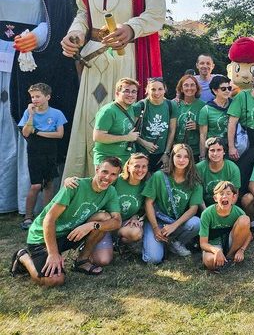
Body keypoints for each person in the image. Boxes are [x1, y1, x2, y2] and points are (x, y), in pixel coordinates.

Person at [61, 0, 165, 181]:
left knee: (121, 121)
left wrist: (130, 29)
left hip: (125, 58)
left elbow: (156, 15)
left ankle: (122, 187)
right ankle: (82, 181)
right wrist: (75, 35)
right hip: (93, 60)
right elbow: (83, 14)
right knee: (90, 120)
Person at [0, 0, 76, 215]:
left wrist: (39, 36)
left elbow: (58, 21)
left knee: (24, 121)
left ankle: (22, 200)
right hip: (1, 57)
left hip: (29, 61)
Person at [10, 157, 123, 286]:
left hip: (69, 233)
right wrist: (53, 253)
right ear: (97, 170)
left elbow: (117, 221)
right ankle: (23, 256)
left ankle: (82, 260)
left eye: (113, 174)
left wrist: (92, 225)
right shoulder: (74, 186)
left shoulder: (111, 191)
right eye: (105, 172)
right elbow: (49, 219)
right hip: (42, 238)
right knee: (55, 280)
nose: (107, 177)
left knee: (104, 219)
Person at [62, 153, 150, 263]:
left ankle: (117, 245)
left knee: (136, 233)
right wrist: (69, 180)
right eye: (136, 166)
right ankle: (88, 243)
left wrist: (135, 216)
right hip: (103, 222)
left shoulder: (145, 186)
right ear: (128, 166)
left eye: (144, 166)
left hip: (120, 223)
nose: (140, 170)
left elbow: (145, 208)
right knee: (102, 261)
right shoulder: (116, 179)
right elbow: (95, 183)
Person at [141, 143, 203, 264]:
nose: (182, 160)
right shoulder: (159, 176)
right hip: (157, 221)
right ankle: (157, 242)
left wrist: (174, 225)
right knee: (153, 259)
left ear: (190, 160)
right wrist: (155, 228)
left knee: (196, 222)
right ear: (172, 157)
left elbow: (193, 209)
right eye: (178, 156)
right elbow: (148, 203)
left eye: (186, 157)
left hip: (174, 222)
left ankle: (175, 243)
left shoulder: (194, 182)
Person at [18, 83, 67, 229]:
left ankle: (47, 215)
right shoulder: (29, 113)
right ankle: (28, 217)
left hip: (50, 151)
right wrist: (31, 116)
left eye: (38, 96)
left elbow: (59, 134)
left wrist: (38, 132)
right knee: (36, 185)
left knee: (49, 183)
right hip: (34, 151)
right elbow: (26, 132)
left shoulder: (57, 114)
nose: (34, 99)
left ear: (47, 97)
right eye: (32, 97)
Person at [199, 181, 251, 272]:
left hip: (231, 244)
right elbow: (203, 243)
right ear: (215, 198)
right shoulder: (207, 213)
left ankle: (230, 256)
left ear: (233, 197)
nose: (224, 196)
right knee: (210, 261)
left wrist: (242, 250)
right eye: (221, 194)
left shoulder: (238, 212)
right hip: (214, 245)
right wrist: (216, 251)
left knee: (245, 219)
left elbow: (249, 234)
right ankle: (222, 261)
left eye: (228, 193)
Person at [93, 77, 140, 167]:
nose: (130, 94)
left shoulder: (131, 108)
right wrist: (126, 137)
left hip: (126, 160)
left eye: (134, 92)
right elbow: (98, 137)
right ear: (117, 93)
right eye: (126, 91)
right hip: (107, 161)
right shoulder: (108, 111)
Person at [133, 77, 176, 173]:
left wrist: (166, 153)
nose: (157, 93)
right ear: (147, 90)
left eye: (160, 89)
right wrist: (144, 143)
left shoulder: (171, 105)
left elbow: (172, 131)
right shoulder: (140, 106)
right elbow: (131, 131)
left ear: (165, 90)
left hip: (161, 153)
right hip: (142, 153)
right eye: (153, 89)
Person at [197, 138, 241, 208]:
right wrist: (207, 213)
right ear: (207, 152)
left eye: (219, 150)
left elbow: (234, 194)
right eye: (212, 150)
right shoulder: (199, 168)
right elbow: (198, 195)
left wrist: (225, 211)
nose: (215, 153)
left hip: (227, 206)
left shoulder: (232, 168)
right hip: (205, 208)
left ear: (224, 152)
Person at [198, 75, 232, 159]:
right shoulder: (206, 110)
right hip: (214, 150)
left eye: (229, 88)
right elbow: (203, 135)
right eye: (223, 89)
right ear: (215, 90)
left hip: (233, 149)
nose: (227, 91)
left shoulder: (234, 105)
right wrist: (202, 157)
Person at [174, 74, 204, 162]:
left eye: (192, 85)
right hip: (177, 150)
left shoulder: (203, 106)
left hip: (195, 151)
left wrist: (197, 126)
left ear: (197, 88)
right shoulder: (174, 104)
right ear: (181, 89)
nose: (189, 88)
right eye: (186, 85)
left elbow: (208, 129)